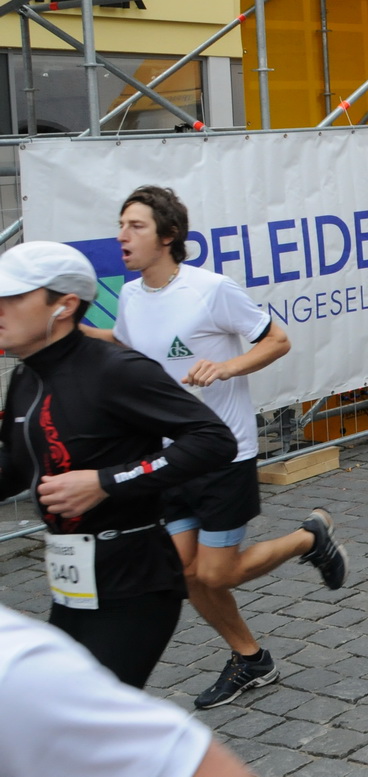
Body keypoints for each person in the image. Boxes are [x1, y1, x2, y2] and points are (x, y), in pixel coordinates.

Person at [106, 187, 345, 709]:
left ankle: (308, 538)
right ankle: (250, 659)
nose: (122, 235)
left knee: (216, 572)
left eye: (135, 226)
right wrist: (66, 333)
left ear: (168, 236)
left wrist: (225, 367)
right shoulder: (129, 295)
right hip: (171, 457)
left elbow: (277, 340)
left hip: (223, 453)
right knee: (184, 572)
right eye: (121, 224)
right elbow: (125, 346)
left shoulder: (211, 289)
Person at [0, 241, 237, 688]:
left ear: (65, 305)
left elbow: (213, 439)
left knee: (87, 715)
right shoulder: (26, 375)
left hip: (136, 581)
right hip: (73, 580)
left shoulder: (115, 369)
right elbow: (14, 467)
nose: (0, 308)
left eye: (13, 297)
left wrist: (105, 482)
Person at [0, 604, 260, 776]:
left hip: (130, 579)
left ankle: (252, 657)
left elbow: (190, 762)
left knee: (208, 572)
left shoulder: (19, 670)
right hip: (75, 585)